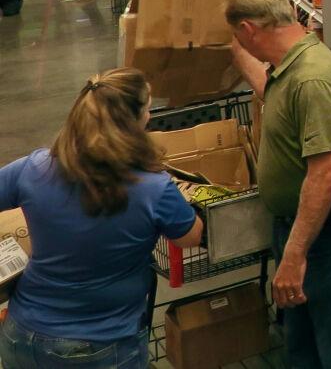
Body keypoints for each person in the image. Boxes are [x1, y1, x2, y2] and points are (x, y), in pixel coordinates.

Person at [0, 68, 202, 369]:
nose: (149, 117)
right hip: (97, 346)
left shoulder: (33, 167)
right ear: (133, 122)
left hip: (21, 337)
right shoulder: (152, 188)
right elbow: (191, 236)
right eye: (147, 110)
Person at [226, 0, 331, 369]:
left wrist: (294, 257)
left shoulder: (313, 79)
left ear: (249, 30)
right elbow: (271, 93)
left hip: (328, 233)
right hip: (303, 229)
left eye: (237, 36)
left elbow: (326, 173)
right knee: (304, 348)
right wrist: (234, 52)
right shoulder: (290, 66)